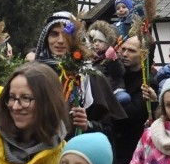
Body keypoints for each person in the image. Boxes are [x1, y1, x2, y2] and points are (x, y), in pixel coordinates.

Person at [35, 11, 126, 144]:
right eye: (54, 34)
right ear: (46, 38)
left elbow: (112, 130)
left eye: (66, 34)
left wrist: (87, 125)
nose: (60, 40)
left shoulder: (91, 77)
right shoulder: (34, 74)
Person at [109, 35, 158, 164]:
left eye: (131, 50)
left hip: (129, 149)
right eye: (123, 49)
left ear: (143, 54)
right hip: (111, 145)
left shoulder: (147, 83)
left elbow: (130, 114)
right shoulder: (114, 74)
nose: (124, 54)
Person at [87, 20, 129, 104]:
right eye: (95, 41)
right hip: (100, 91)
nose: (96, 44)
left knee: (124, 98)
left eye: (100, 41)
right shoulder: (92, 58)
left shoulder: (113, 55)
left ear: (107, 42)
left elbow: (119, 73)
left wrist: (113, 60)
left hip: (114, 89)